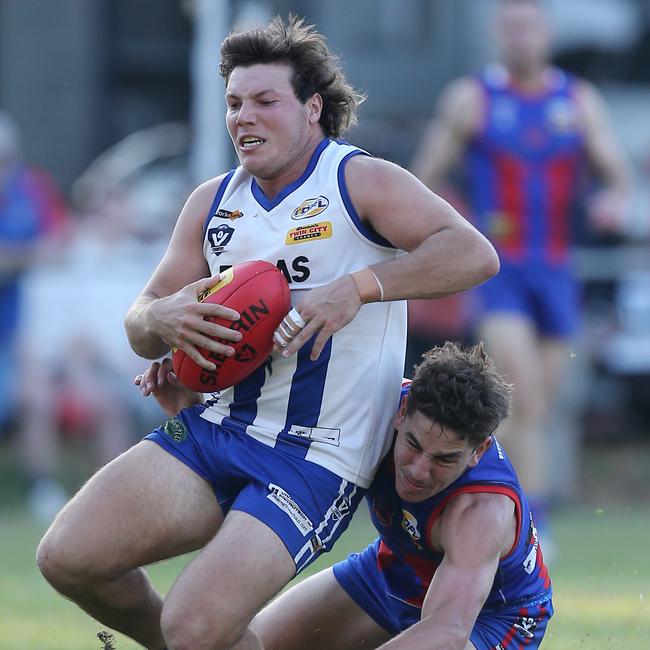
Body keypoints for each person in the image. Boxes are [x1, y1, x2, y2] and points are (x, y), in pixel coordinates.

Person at [37, 16, 498, 650]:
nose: (242, 117)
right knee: (67, 558)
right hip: (219, 428)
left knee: (195, 626)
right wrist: (159, 318)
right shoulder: (212, 202)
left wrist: (361, 286)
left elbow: (474, 254)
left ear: (313, 108)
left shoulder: (358, 179)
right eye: (233, 103)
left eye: (263, 101)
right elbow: (141, 321)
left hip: (319, 453)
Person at [139, 342, 553, 650]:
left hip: (492, 617)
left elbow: (446, 631)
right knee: (234, 643)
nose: (418, 470)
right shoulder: (367, 411)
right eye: (412, 444)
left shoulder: (482, 512)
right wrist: (191, 411)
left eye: (445, 459)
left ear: (478, 451)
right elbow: (262, 454)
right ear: (401, 412)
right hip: (393, 571)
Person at [411, 0, 632, 537]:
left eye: (529, 27)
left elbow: (617, 175)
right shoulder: (471, 100)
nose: (521, 38)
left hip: (556, 271)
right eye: (511, 28)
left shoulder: (576, 101)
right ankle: (524, 521)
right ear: (498, 35)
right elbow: (420, 182)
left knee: (538, 407)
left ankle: (514, 512)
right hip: (497, 270)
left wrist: (612, 201)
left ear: (546, 34)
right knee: (522, 395)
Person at [0, 110, 70, 518]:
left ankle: (40, 485)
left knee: (37, 397)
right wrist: (28, 256)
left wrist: (15, 259)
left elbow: (59, 245)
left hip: (26, 328)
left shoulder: (32, 188)